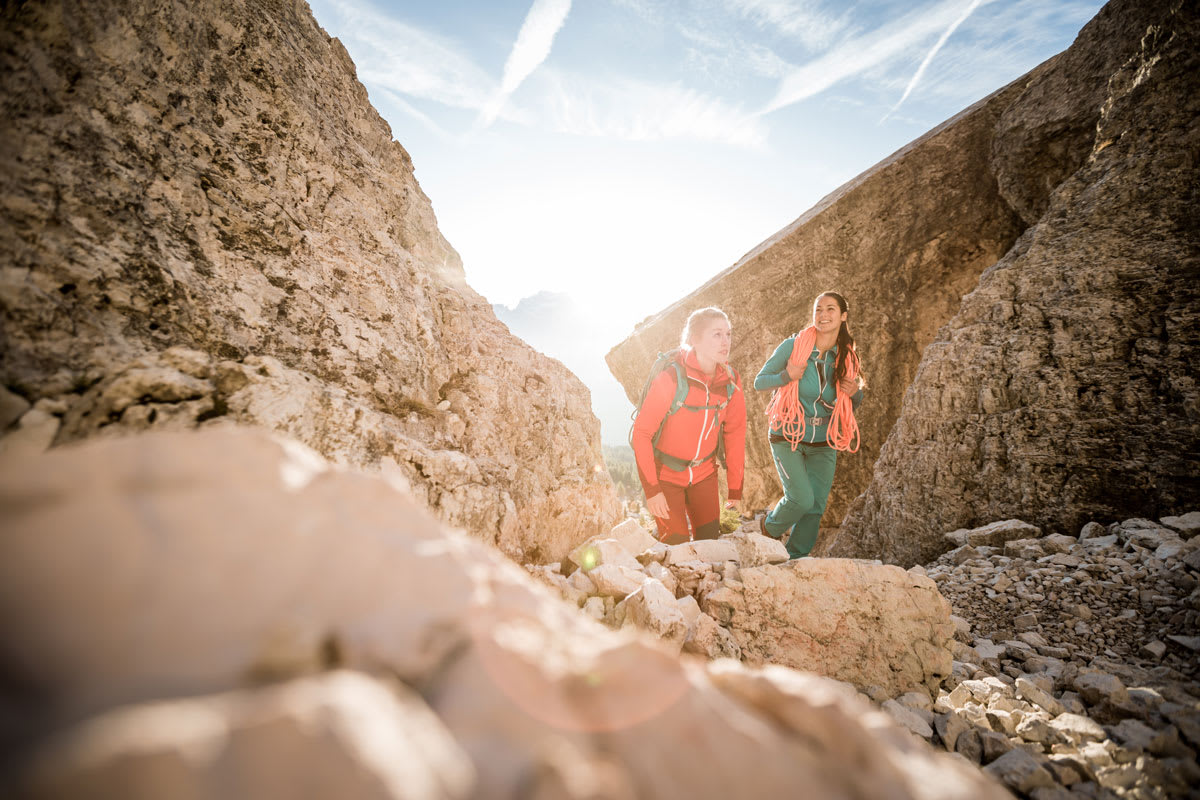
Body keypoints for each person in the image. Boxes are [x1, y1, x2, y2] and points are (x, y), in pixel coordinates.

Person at [754, 292, 865, 559]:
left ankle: (793, 559)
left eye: (830, 309)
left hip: (824, 440)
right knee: (800, 499)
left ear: (843, 316)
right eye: (818, 310)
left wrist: (854, 392)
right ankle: (768, 529)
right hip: (788, 434)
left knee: (815, 506)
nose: (823, 315)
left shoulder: (847, 357)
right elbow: (760, 381)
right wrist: (787, 375)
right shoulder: (793, 347)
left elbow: (849, 407)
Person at [632, 307, 746, 544]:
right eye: (717, 334)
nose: (725, 342)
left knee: (709, 544)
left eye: (728, 334)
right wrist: (653, 491)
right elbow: (641, 434)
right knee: (676, 547)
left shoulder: (731, 381)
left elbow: (735, 433)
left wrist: (735, 489)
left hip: (704, 475)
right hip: (666, 476)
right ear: (695, 339)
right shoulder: (672, 378)